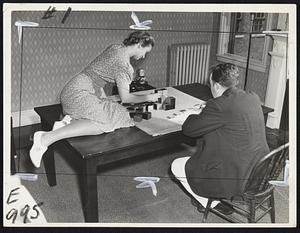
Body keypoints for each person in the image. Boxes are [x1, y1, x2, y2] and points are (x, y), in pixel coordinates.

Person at [30, 31, 158, 168]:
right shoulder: (124, 66)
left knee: (117, 112)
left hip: (72, 90)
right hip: (79, 95)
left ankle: (68, 123)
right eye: (145, 51)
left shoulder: (115, 48)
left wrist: (102, 102)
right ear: (139, 45)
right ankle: (45, 138)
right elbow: (126, 99)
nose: (143, 56)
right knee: (104, 123)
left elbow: (96, 75)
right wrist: (150, 96)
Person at [171, 63, 270, 214]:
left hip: (237, 178)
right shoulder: (253, 97)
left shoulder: (218, 105)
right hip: (259, 170)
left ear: (216, 86)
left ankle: (211, 202)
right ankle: (207, 198)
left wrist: (200, 113)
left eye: (210, 84)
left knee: (176, 165)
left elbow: (189, 129)